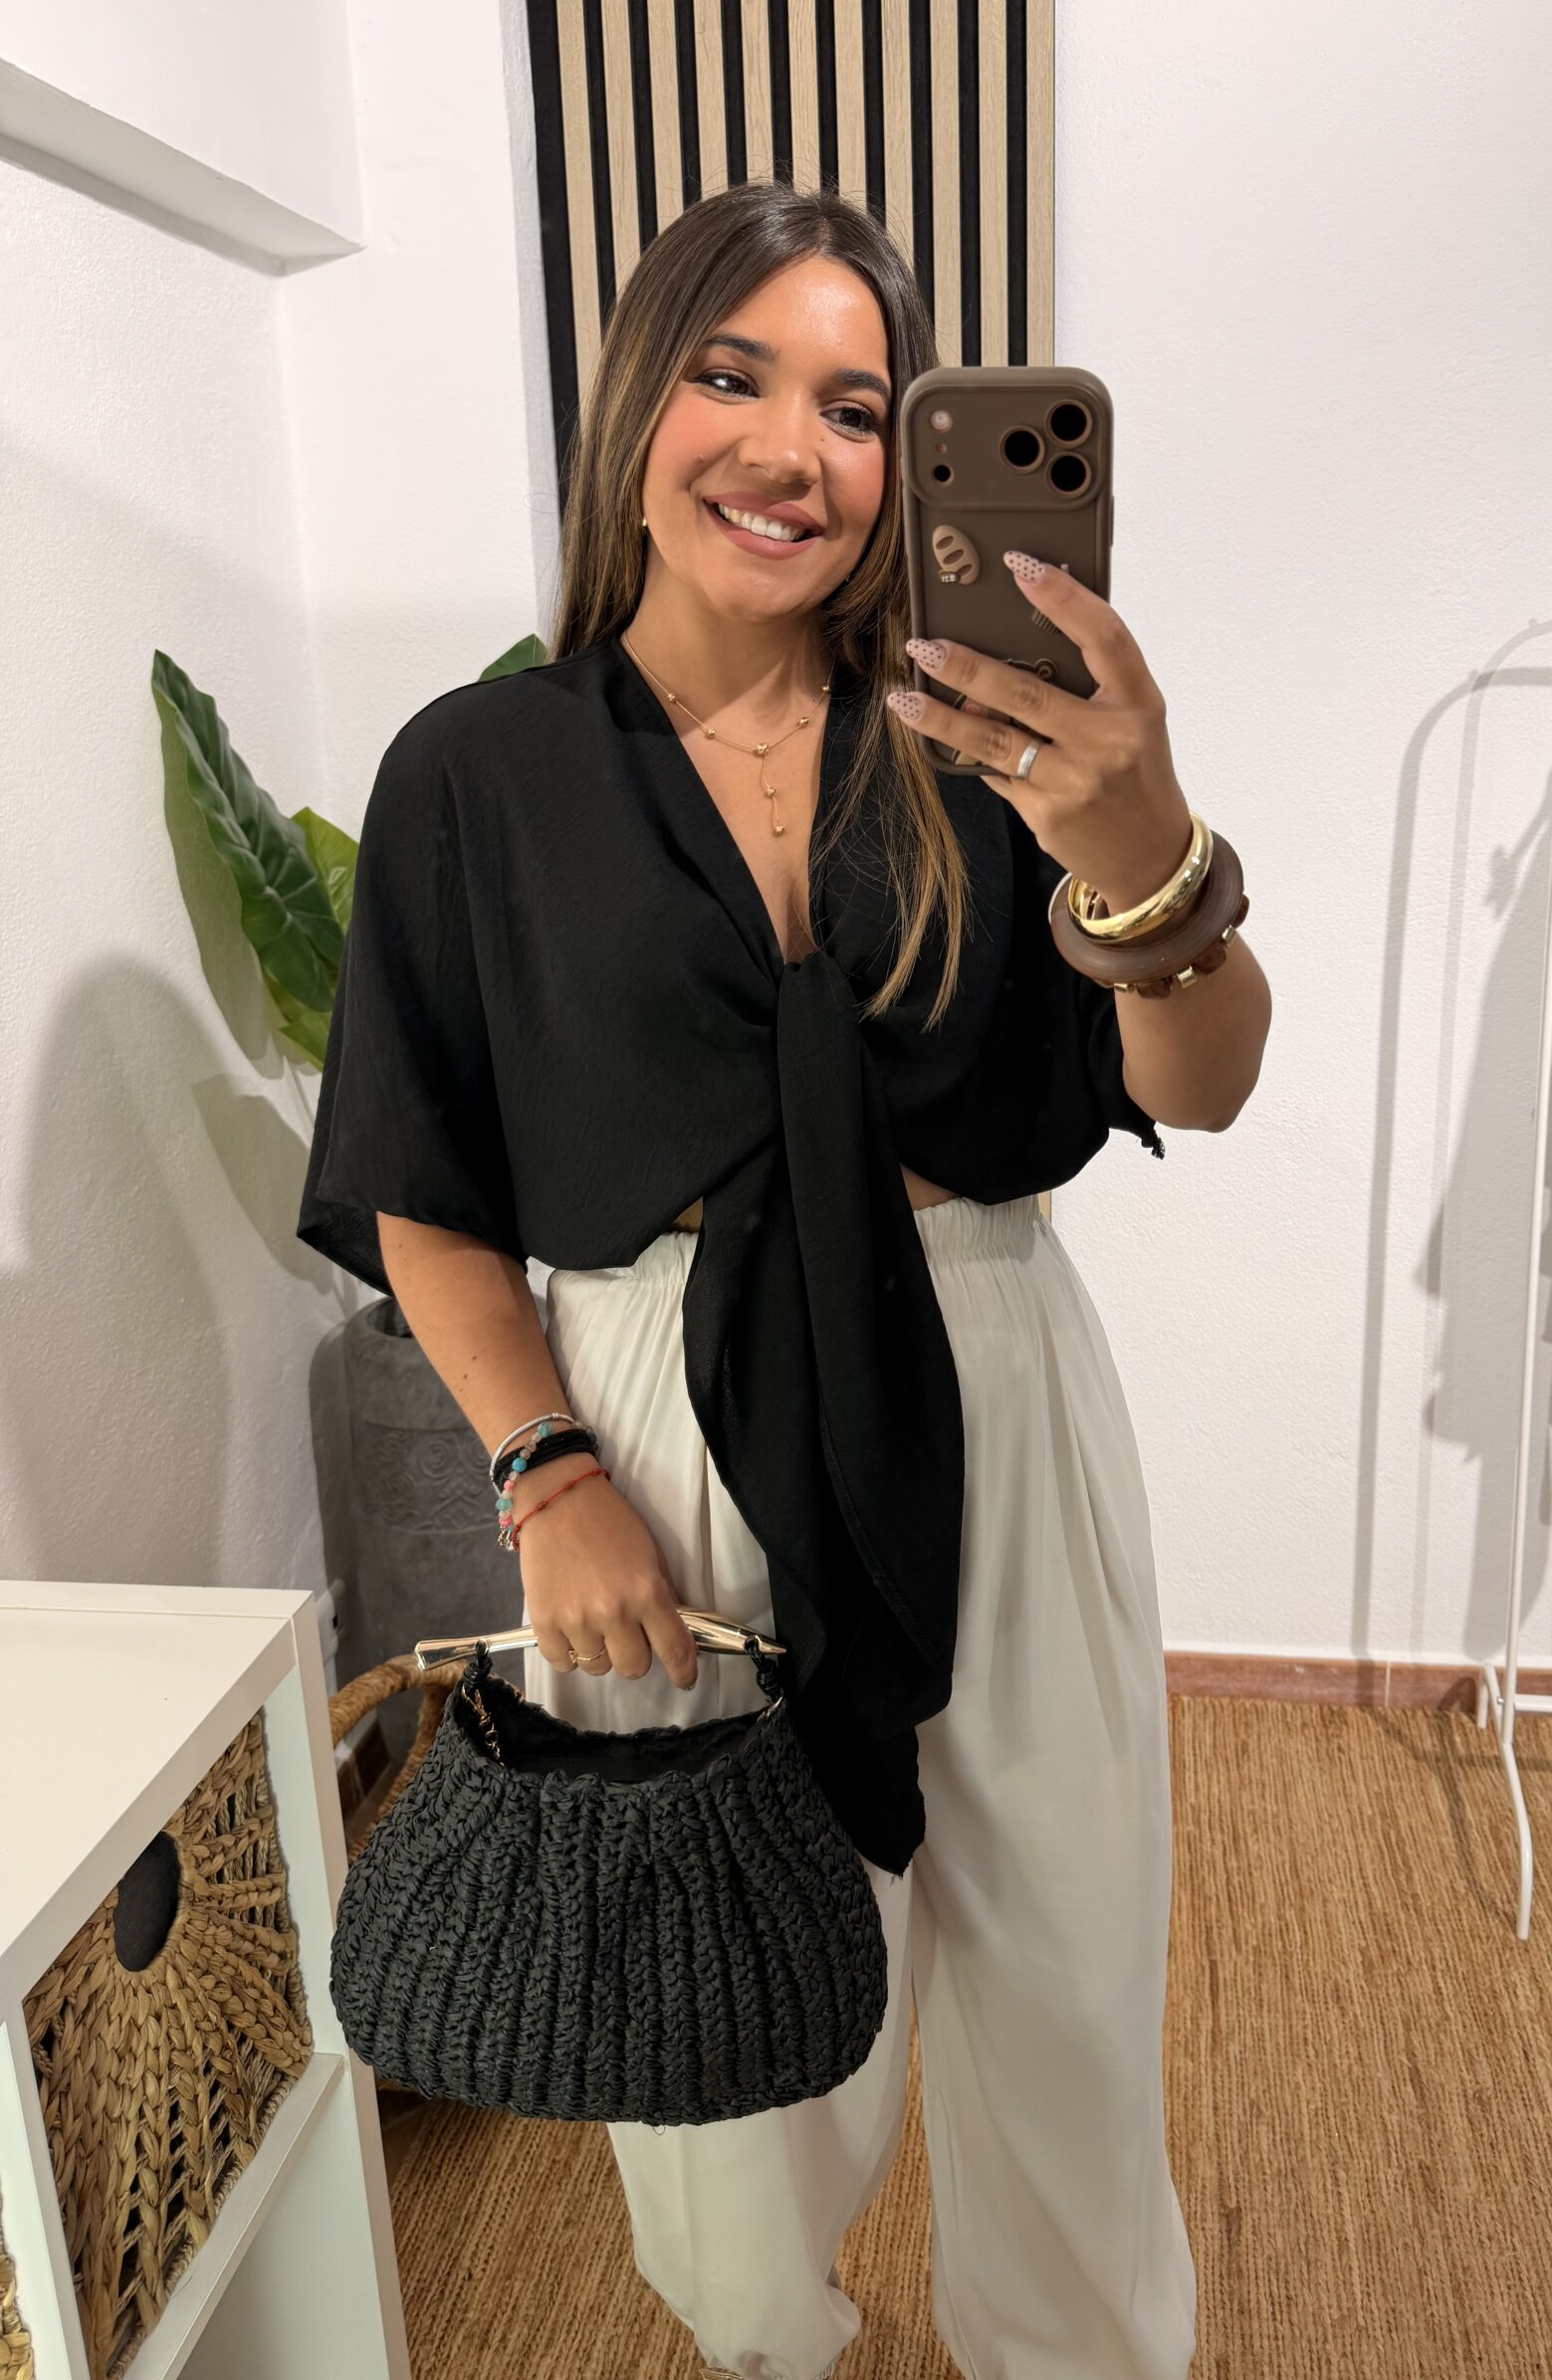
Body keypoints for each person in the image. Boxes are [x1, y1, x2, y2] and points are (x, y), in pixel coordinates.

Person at [298, 178, 1268, 2380]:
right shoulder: (477, 774)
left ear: (907, 459)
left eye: (854, 406)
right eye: (732, 375)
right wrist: (544, 1470)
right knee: (716, 2015)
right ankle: (765, 2340)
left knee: (1069, 1962)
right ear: (639, 399)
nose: (789, 451)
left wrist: (1142, 851)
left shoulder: (991, 738)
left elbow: (1199, 1083)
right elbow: (421, 1180)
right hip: (661, 1419)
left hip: (992, 1367)